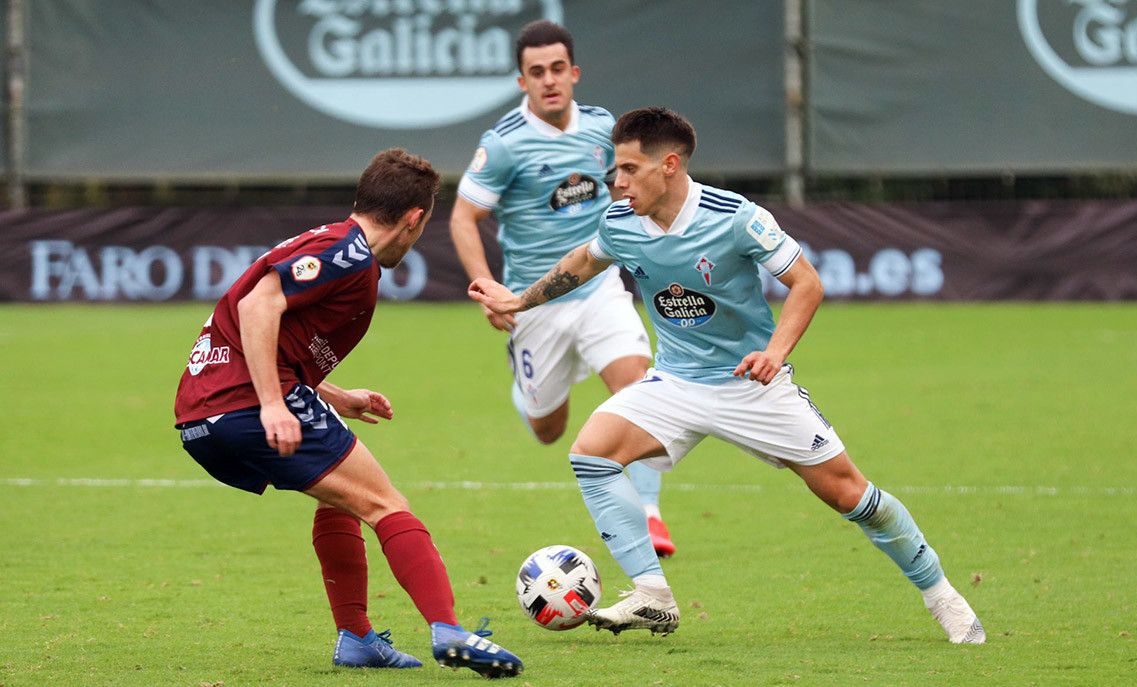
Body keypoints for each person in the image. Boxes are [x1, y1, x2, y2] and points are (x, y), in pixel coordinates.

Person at [468, 109, 986, 644]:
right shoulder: (619, 221)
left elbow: (806, 283)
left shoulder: (736, 216)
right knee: (591, 453)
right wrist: (521, 300)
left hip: (750, 385)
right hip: (674, 383)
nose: (616, 183)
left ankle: (942, 595)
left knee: (851, 495)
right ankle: (652, 595)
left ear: (668, 165)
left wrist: (774, 353)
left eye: (626, 169)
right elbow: (581, 262)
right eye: (612, 171)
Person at [173, 148, 524, 677]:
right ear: (414, 218)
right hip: (247, 405)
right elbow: (256, 307)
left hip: (203, 417)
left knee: (340, 502)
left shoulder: (337, 246)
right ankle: (449, 629)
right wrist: (272, 404)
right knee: (386, 503)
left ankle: (357, 638)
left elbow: (278, 336)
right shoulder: (347, 253)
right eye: (424, 224)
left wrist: (337, 397)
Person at [449, 20, 678, 557]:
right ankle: (529, 388)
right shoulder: (503, 145)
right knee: (548, 428)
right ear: (522, 81)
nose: (549, 80)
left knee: (637, 390)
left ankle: (648, 513)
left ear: (574, 73)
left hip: (600, 288)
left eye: (558, 69)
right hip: (535, 304)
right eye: (537, 72)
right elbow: (463, 219)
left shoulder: (603, 128)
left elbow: (631, 187)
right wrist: (485, 285)